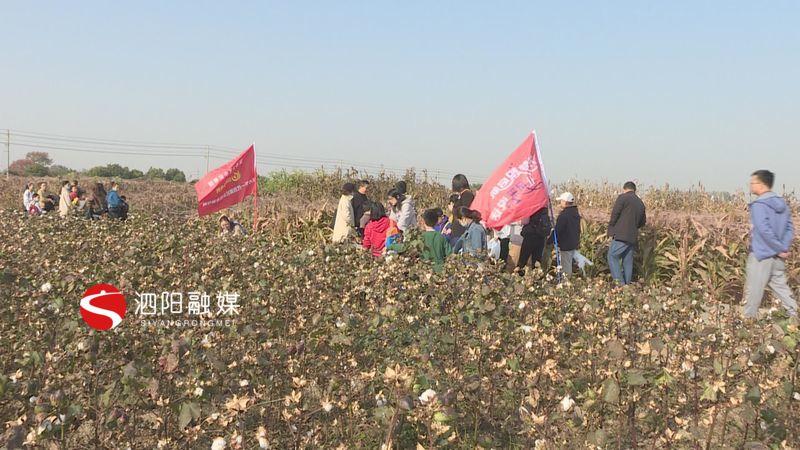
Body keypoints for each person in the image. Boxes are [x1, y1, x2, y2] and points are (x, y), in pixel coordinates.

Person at [743, 170, 796, 319]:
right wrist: (783, 248)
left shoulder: (759, 205)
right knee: (781, 287)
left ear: (761, 184)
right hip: (777, 257)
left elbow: (763, 229)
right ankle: (794, 315)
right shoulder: (782, 204)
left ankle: (748, 322)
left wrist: (778, 248)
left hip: (761, 255)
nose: (750, 185)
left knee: (754, 289)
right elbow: (789, 228)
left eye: (752, 182)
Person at [607, 181, 646, 285]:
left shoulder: (622, 198)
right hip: (632, 237)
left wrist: (611, 229)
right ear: (634, 190)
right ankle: (627, 285)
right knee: (627, 261)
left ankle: (620, 285)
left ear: (625, 189)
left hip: (621, 235)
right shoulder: (640, 202)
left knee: (612, 256)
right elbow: (643, 222)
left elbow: (615, 214)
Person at [553, 192, 582, 276]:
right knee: (568, 262)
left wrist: (550, 240)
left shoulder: (564, 215)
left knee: (566, 265)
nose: (560, 203)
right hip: (573, 242)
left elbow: (558, 229)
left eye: (561, 201)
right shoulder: (575, 213)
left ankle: (566, 283)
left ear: (565, 202)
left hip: (566, 244)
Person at [518, 208, 552, 274]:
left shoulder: (531, 207)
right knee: (537, 262)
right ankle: (536, 279)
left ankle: (520, 278)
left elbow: (524, 221)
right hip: (541, 237)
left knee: (523, 260)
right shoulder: (545, 209)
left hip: (530, 236)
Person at [449, 174, 475, 242]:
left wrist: (452, 209)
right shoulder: (464, 194)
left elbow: (463, 211)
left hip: (461, 231)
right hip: (458, 231)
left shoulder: (467, 195)